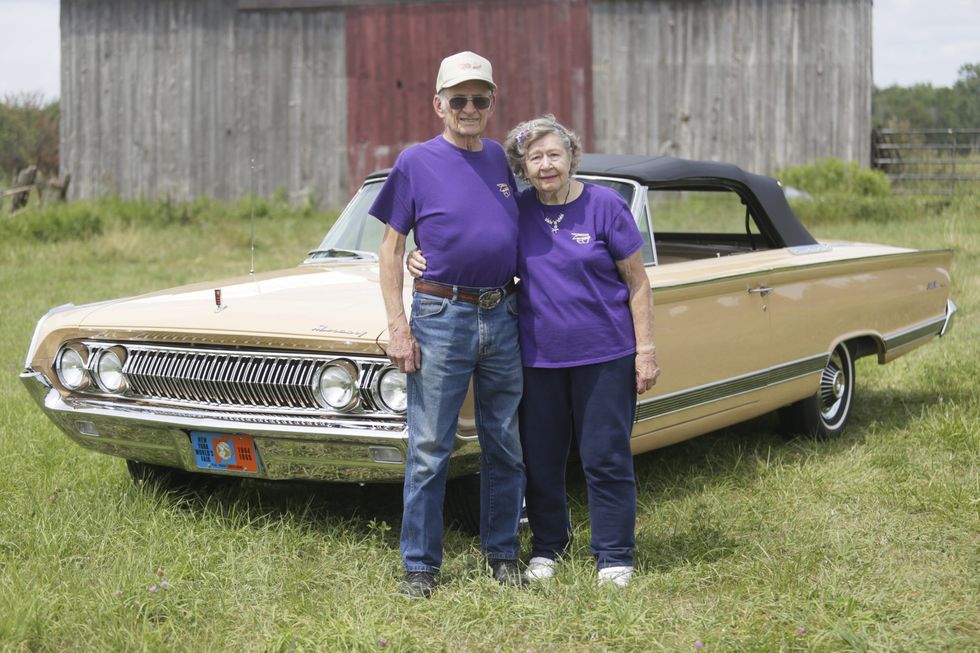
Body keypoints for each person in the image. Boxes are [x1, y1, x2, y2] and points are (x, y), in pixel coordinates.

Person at [409, 115, 660, 587]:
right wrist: (418, 255)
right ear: (523, 166)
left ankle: (614, 555)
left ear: (571, 157)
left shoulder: (605, 206)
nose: (546, 165)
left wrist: (645, 349)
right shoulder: (517, 211)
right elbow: (474, 246)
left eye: (554, 155)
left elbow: (638, 281)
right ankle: (548, 547)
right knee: (540, 459)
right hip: (538, 356)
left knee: (604, 456)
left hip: (604, 355)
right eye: (535, 157)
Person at [370, 51, 526, 598]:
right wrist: (398, 326)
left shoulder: (502, 163)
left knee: (504, 442)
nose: (468, 108)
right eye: (457, 99)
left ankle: (503, 554)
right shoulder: (415, 161)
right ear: (438, 104)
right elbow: (390, 252)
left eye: (479, 99)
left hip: (503, 314)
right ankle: (420, 565)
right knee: (432, 445)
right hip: (440, 316)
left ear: (491, 104)